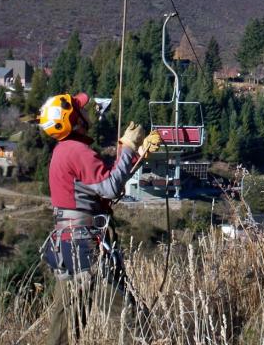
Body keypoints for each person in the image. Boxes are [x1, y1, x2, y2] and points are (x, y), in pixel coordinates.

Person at [37, 91, 161, 345]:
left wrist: (135, 156)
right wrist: (127, 148)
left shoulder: (64, 151)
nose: (85, 111)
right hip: (84, 248)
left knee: (65, 331)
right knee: (135, 322)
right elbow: (110, 188)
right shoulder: (76, 150)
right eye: (78, 109)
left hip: (69, 247)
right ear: (73, 120)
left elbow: (101, 185)